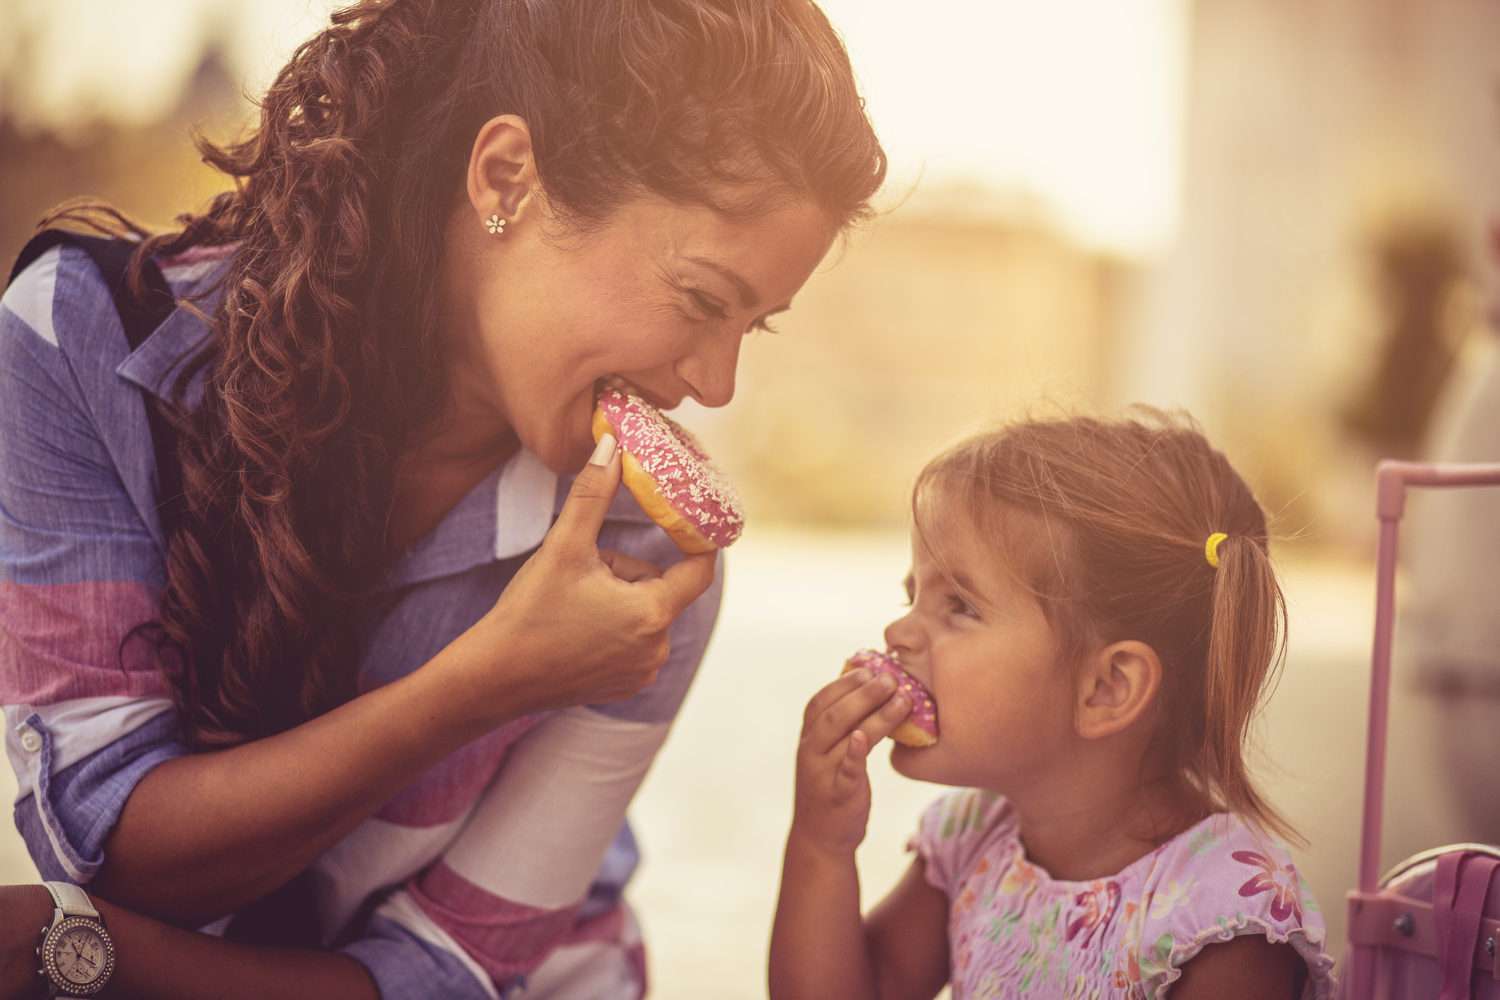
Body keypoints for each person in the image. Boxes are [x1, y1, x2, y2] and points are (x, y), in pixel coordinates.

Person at [0, 0, 886, 996]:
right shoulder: (80, 345)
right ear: (508, 178)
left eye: (754, 327)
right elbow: (116, 848)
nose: (718, 385)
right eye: (700, 299)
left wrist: (76, 949)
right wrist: (481, 681)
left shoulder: (642, 567)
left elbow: (449, 973)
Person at [768, 411, 1338, 1000]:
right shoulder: (976, 836)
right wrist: (821, 845)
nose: (898, 631)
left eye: (960, 605)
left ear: (1107, 688)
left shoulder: (1223, 915)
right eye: (913, 594)